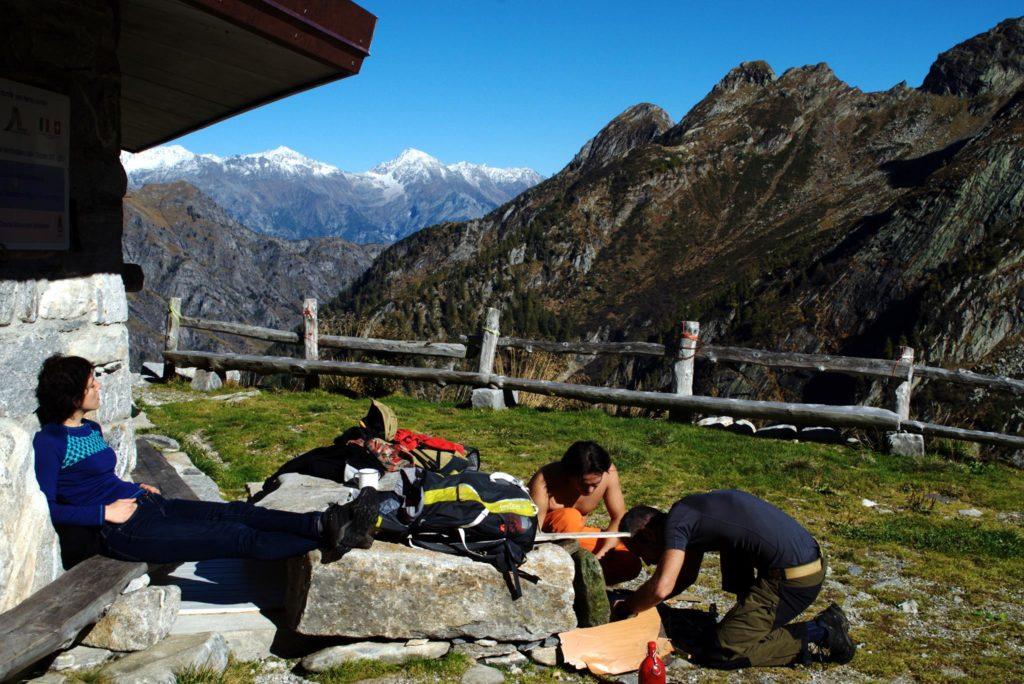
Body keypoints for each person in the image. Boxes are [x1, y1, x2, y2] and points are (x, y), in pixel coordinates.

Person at [32, 354, 378, 568]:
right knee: (235, 536)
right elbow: (46, 508)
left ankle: (322, 522)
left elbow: (97, 480)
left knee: (237, 511)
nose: (99, 387)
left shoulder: (89, 429)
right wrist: (103, 513)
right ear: (73, 393)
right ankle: (336, 536)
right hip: (120, 531)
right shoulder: (50, 441)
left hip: (145, 504)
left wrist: (132, 487)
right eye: (92, 383)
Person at [615, 490, 855, 668]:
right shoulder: (687, 512)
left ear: (647, 533)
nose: (646, 562)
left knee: (719, 652)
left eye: (641, 553)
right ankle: (746, 621)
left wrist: (627, 607)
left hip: (793, 580)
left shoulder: (676, 527)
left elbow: (661, 588)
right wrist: (644, 603)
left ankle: (821, 633)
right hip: (802, 560)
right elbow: (686, 576)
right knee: (732, 546)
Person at [528, 441, 641, 585]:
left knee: (628, 560)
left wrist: (603, 553)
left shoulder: (609, 473)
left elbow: (619, 517)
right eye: (583, 484)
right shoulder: (545, 478)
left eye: (595, 484)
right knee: (569, 517)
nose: (590, 491)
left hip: (579, 538)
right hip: (549, 542)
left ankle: (585, 582)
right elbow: (533, 531)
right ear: (569, 474)